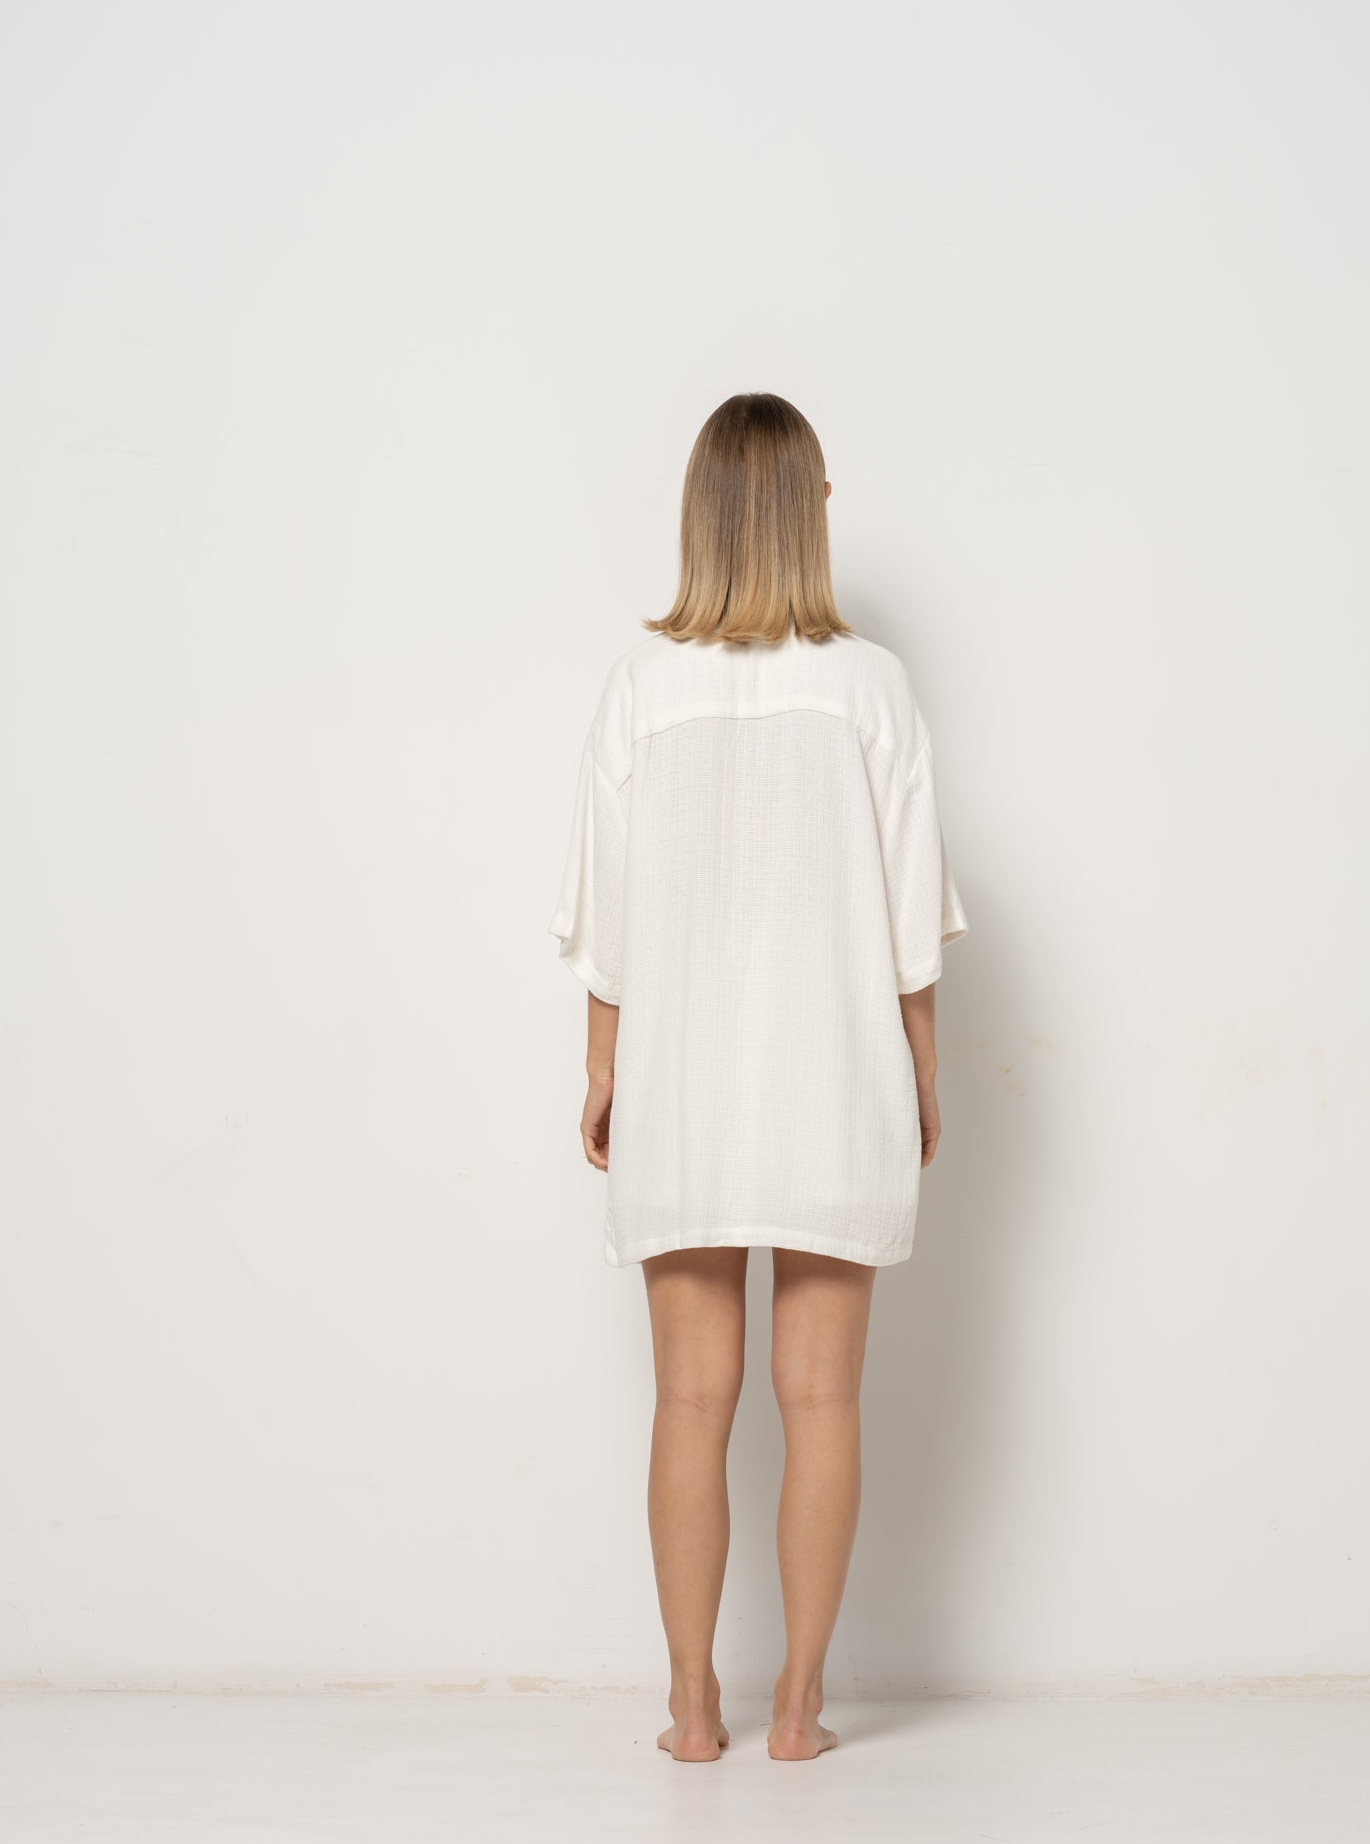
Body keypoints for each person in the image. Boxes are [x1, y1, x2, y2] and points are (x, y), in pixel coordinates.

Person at [547, 392, 969, 1762]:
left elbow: (604, 917)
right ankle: (797, 1711)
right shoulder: (872, 686)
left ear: (700, 512)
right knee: (823, 1400)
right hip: (832, 1073)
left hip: (681, 1078)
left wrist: (602, 1070)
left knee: (688, 1399)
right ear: (810, 509)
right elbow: (911, 920)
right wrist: (921, 1067)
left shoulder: (639, 684)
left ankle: (691, 1712)